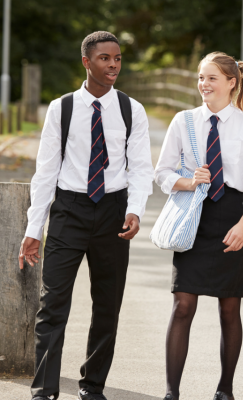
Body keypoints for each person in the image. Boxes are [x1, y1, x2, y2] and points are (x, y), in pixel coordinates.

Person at [18, 31, 154, 400]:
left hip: (113, 213)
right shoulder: (61, 108)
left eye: (118, 58)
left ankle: (92, 386)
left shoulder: (131, 110)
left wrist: (134, 211)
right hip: (69, 211)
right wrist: (35, 228)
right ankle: (44, 391)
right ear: (86, 62)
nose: (113, 65)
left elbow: (141, 168)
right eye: (105, 58)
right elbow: (45, 172)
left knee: (107, 306)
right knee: (53, 305)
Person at [154, 52, 243, 400]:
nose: (203, 84)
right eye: (201, 78)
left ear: (232, 83)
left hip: (234, 216)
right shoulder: (184, 120)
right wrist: (189, 182)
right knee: (183, 304)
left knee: (229, 307)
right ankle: (172, 392)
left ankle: (225, 390)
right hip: (195, 215)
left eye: (211, 78)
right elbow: (162, 173)